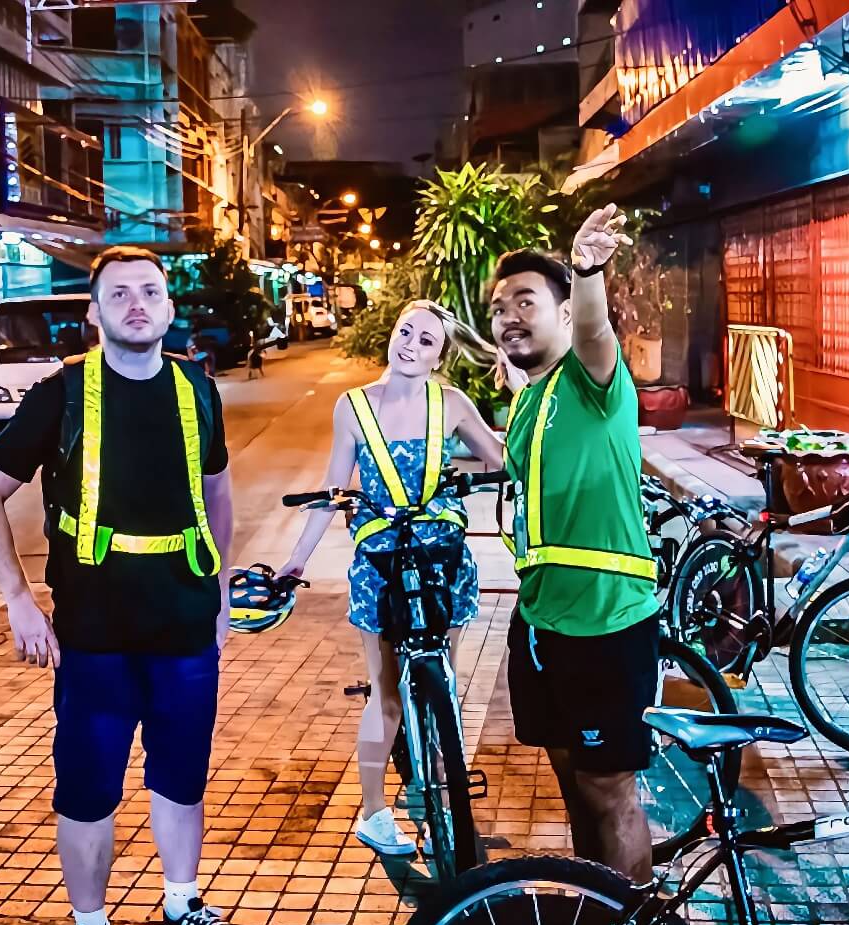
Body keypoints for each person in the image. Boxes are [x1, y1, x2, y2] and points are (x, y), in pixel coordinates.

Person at [0, 246, 250, 925]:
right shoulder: (62, 394)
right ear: (94, 312)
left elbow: (217, 493)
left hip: (185, 620)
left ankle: (183, 905)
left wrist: (219, 588)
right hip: (93, 629)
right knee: (89, 789)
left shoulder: (196, 387)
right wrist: (18, 600)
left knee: (182, 775)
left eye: (149, 292)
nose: (135, 303)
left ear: (168, 307)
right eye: (117, 294)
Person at [279, 300, 504, 855]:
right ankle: (374, 812)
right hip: (379, 564)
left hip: (443, 560)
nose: (410, 345)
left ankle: (439, 770)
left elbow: (505, 458)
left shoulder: (451, 403)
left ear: (439, 357)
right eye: (406, 332)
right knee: (386, 693)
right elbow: (333, 490)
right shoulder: (352, 407)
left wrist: (522, 390)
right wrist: (296, 560)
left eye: (426, 341)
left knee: (442, 678)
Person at [491, 205, 660, 884]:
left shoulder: (593, 382)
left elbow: (595, 332)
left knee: (608, 787)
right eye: (500, 306)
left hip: (604, 618)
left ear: (563, 315)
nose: (509, 315)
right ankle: (597, 912)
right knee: (569, 776)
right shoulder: (530, 399)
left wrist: (586, 271)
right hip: (539, 622)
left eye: (526, 300)